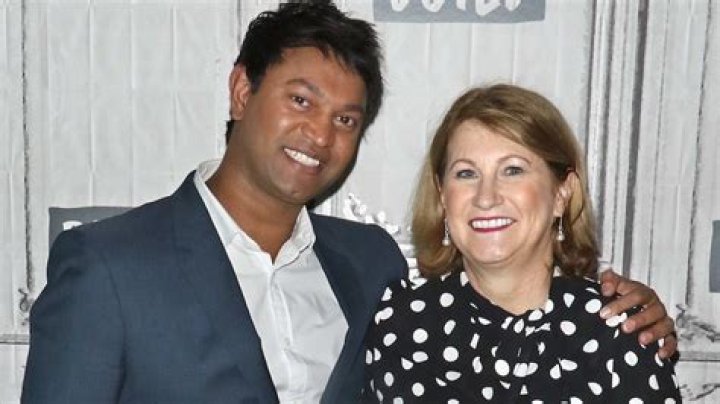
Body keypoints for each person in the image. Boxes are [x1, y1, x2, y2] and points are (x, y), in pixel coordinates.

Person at [22, 2, 675, 403]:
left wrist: (631, 315)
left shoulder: (370, 267)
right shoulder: (108, 266)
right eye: (300, 100)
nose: (319, 134)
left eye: (346, 119)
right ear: (242, 92)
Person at [363, 84, 682, 402]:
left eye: (512, 170)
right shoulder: (399, 329)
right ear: (443, 196)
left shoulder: (619, 331)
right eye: (466, 174)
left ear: (562, 193)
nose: (486, 197)